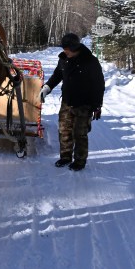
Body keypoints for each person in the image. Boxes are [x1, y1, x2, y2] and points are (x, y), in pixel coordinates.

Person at [40, 32, 105, 171]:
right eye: (64, 48)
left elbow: (99, 85)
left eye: (67, 49)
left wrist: (97, 105)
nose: (65, 51)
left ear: (75, 48)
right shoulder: (64, 59)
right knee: (64, 130)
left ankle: (80, 161)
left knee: (79, 133)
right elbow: (57, 74)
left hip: (84, 104)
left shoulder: (90, 61)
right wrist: (47, 87)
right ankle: (65, 156)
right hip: (67, 101)